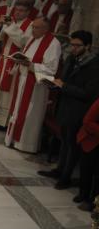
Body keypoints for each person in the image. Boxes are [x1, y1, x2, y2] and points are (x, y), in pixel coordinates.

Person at [38, 31, 99, 188]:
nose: (73, 48)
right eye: (72, 45)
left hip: (79, 111)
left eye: (77, 46)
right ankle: (59, 169)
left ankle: (65, 177)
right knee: (64, 141)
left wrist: (64, 86)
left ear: (88, 46)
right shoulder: (72, 59)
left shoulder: (94, 66)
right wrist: (54, 83)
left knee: (72, 145)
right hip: (65, 106)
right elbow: (64, 80)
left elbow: (88, 94)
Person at [5, 18, 61, 153]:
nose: (32, 30)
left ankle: (25, 145)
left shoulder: (53, 44)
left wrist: (30, 65)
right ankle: (13, 139)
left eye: (36, 28)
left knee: (30, 114)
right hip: (23, 79)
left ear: (45, 29)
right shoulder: (32, 39)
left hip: (36, 86)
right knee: (18, 110)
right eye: (33, 27)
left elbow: (51, 69)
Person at [0, 4, 32, 127]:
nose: (18, 13)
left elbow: (21, 41)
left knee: (9, 93)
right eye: (17, 10)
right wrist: (1, 25)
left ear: (28, 12)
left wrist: (10, 26)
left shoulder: (30, 25)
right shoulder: (10, 22)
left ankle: (4, 122)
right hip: (4, 60)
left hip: (16, 64)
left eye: (22, 10)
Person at [76, 97, 99, 211]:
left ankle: (93, 201)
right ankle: (85, 196)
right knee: (87, 170)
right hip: (91, 139)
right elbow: (87, 121)